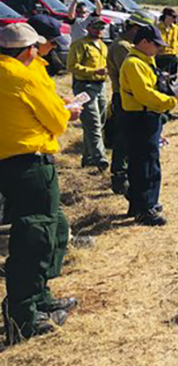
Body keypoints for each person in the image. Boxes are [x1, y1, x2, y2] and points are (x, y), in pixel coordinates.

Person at [0, 23, 78, 344]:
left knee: (47, 226)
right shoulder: (23, 76)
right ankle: (24, 316)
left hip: (8, 163)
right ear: (28, 50)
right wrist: (68, 111)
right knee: (36, 236)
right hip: (31, 162)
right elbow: (57, 121)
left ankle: (39, 296)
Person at [119, 24, 178, 225]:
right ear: (144, 42)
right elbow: (144, 94)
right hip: (140, 118)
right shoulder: (134, 64)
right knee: (146, 164)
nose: (159, 49)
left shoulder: (145, 61)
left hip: (146, 117)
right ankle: (145, 209)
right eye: (155, 44)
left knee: (143, 162)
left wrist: (172, 92)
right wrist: (170, 102)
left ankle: (140, 204)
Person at [107, 14, 146, 195]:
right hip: (122, 97)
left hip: (125, 96)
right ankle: (120, 177)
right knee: (123, 138)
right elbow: (131, 73)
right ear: (134, 29)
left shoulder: (125, 45)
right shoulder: (122, 47)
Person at [66, 17, 110, 171]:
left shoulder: (104, 46)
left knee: (99, 121)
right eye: (96, 27)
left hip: (100, 86)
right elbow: (71, 66)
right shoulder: (79, 45)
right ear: (88, 27)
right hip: (84, 86)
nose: (99, 30)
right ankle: (101, 159)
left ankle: (88, 157)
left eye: (101, 27)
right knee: (93, 123)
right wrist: (93, 71)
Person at [156, 7, 178, 80]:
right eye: (173, 17)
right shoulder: (157, 28)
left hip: (172, 57)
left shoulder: (176, 29)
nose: (174, 19)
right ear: (166, 16)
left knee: (172, 78)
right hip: (160, 57)